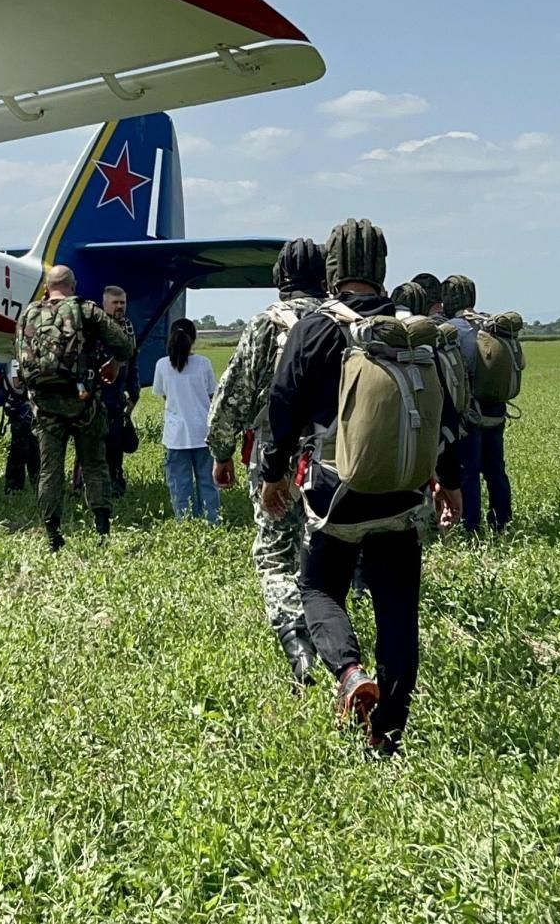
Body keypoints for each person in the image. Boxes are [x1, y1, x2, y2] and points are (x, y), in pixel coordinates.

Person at [258, 219, 464, 754]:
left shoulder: (318, 327)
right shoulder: (413, 331)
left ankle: (349, 673)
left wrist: (274, 474)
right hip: (403, 494)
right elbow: (444, 412)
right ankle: (388, 734)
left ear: (334, 269)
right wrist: (450, 482)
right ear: (382, 268)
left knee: (318, 587)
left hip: (336, 493)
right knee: (399, 606)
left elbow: (284, 406)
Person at [207, 239, 328, 688]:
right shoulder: (341, 322)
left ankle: (298, 647)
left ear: (280, 279)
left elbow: (231, 396)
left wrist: (221, 454)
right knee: (321, 549)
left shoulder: (266, 324)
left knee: (275, 555)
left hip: (273, 456)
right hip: (332, 456)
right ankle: (332, 634)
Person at [14, 264, 135, 551]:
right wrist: (115, 363)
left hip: (44, 406)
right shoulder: (86, 310)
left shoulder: (28, 313)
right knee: (94, 465)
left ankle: (53, 535)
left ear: (47, 287)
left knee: (49, 471)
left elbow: (19, 356)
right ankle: (102, 530)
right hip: (83, 403)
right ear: (73, 285)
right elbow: (125, 346)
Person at [443, 274, 512, 532]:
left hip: (468, 416)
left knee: (468, 473)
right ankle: (501, 522)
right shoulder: (493, 325)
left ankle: (470, 527)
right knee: (496, 470)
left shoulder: (451, 330)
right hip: (497, 411)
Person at [154, 318, 220, 524]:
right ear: (194, 338)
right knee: (207, 482)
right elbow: (212, 394)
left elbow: (163, 394)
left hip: (176, 436)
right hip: (202, 432)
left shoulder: (163, 365)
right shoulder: (204, 363)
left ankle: (185, 522)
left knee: (179, 484)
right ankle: (212, 521)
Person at [96, 286, 140, 498]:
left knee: (116, 448)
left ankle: (115, 487)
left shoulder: (129, 330)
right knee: (92, 450)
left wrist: (134, 395)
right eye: (115, 303)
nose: (120, 307)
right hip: (96, 400)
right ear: (105, 305)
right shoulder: (95, 331)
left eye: (122, 302)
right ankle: (85, 488)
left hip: (117, 401)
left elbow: (133, 366)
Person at [0, 365, 37, 495]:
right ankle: (15, 487)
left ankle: (22, 487)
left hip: (22, 413)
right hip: (23, 413)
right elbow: (17, 386)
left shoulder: (13, 361)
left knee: (29, 451)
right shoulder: (15, 362)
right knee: (23, 452)